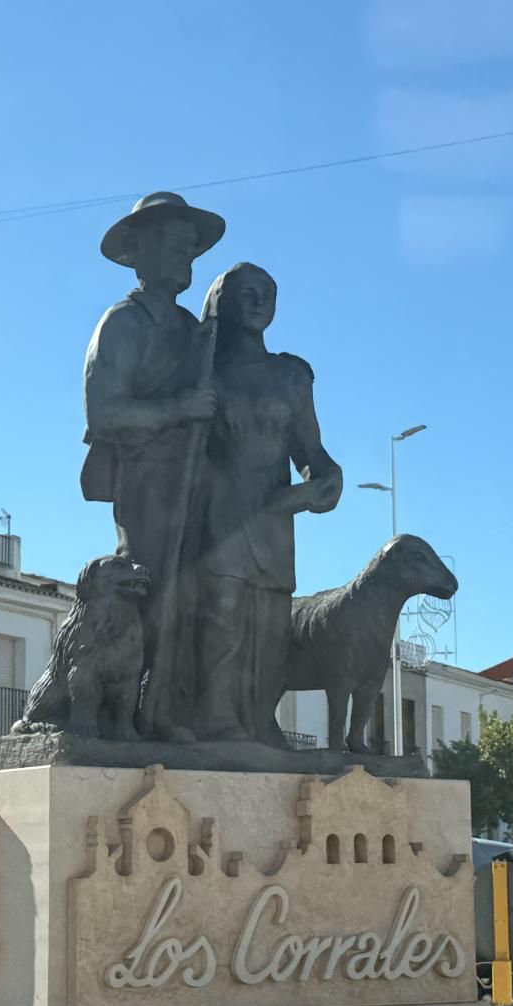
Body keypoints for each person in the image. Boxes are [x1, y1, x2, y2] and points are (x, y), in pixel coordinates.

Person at [81, 192, 225, 742]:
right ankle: (134, 708)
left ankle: (176, 705)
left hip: (196, 478)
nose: (186, 257)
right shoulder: (122, 323)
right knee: (150, 586)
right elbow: (104, 412)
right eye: (173, 245)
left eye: (190, 248)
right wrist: (177, 409)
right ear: (140, 253)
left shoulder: (193, 330)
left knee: (192, 593)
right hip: (145, 478)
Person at [195, 263, 342, 744]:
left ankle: (260, 721)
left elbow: (312, 453)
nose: (259, 302)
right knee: (222, 618)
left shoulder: (292, 376)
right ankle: (216, 718)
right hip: (220, 516)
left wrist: (327, 480)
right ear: (222, 302)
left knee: (272, 630)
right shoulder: (202, 371)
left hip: (277, 518)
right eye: (247, 293)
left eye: (268, 294)